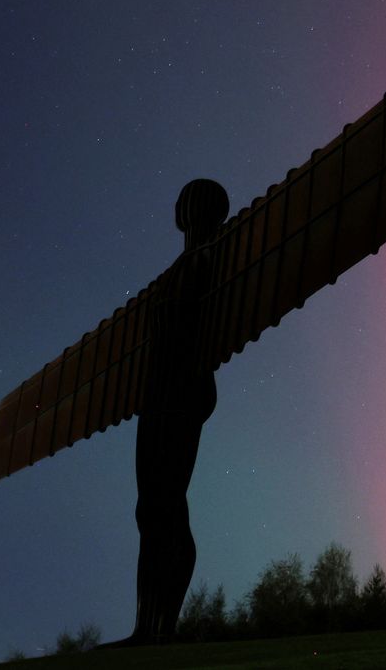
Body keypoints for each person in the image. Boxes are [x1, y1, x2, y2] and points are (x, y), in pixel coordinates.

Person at [114, 178, 229, 645]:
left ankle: (164, 626)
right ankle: (145, 626)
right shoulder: (172, 272)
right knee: (149, 509)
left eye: (191, 200)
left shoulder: (216, 256)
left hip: (184, 385)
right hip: (156, 389)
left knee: (168, 504)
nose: (183, 208)